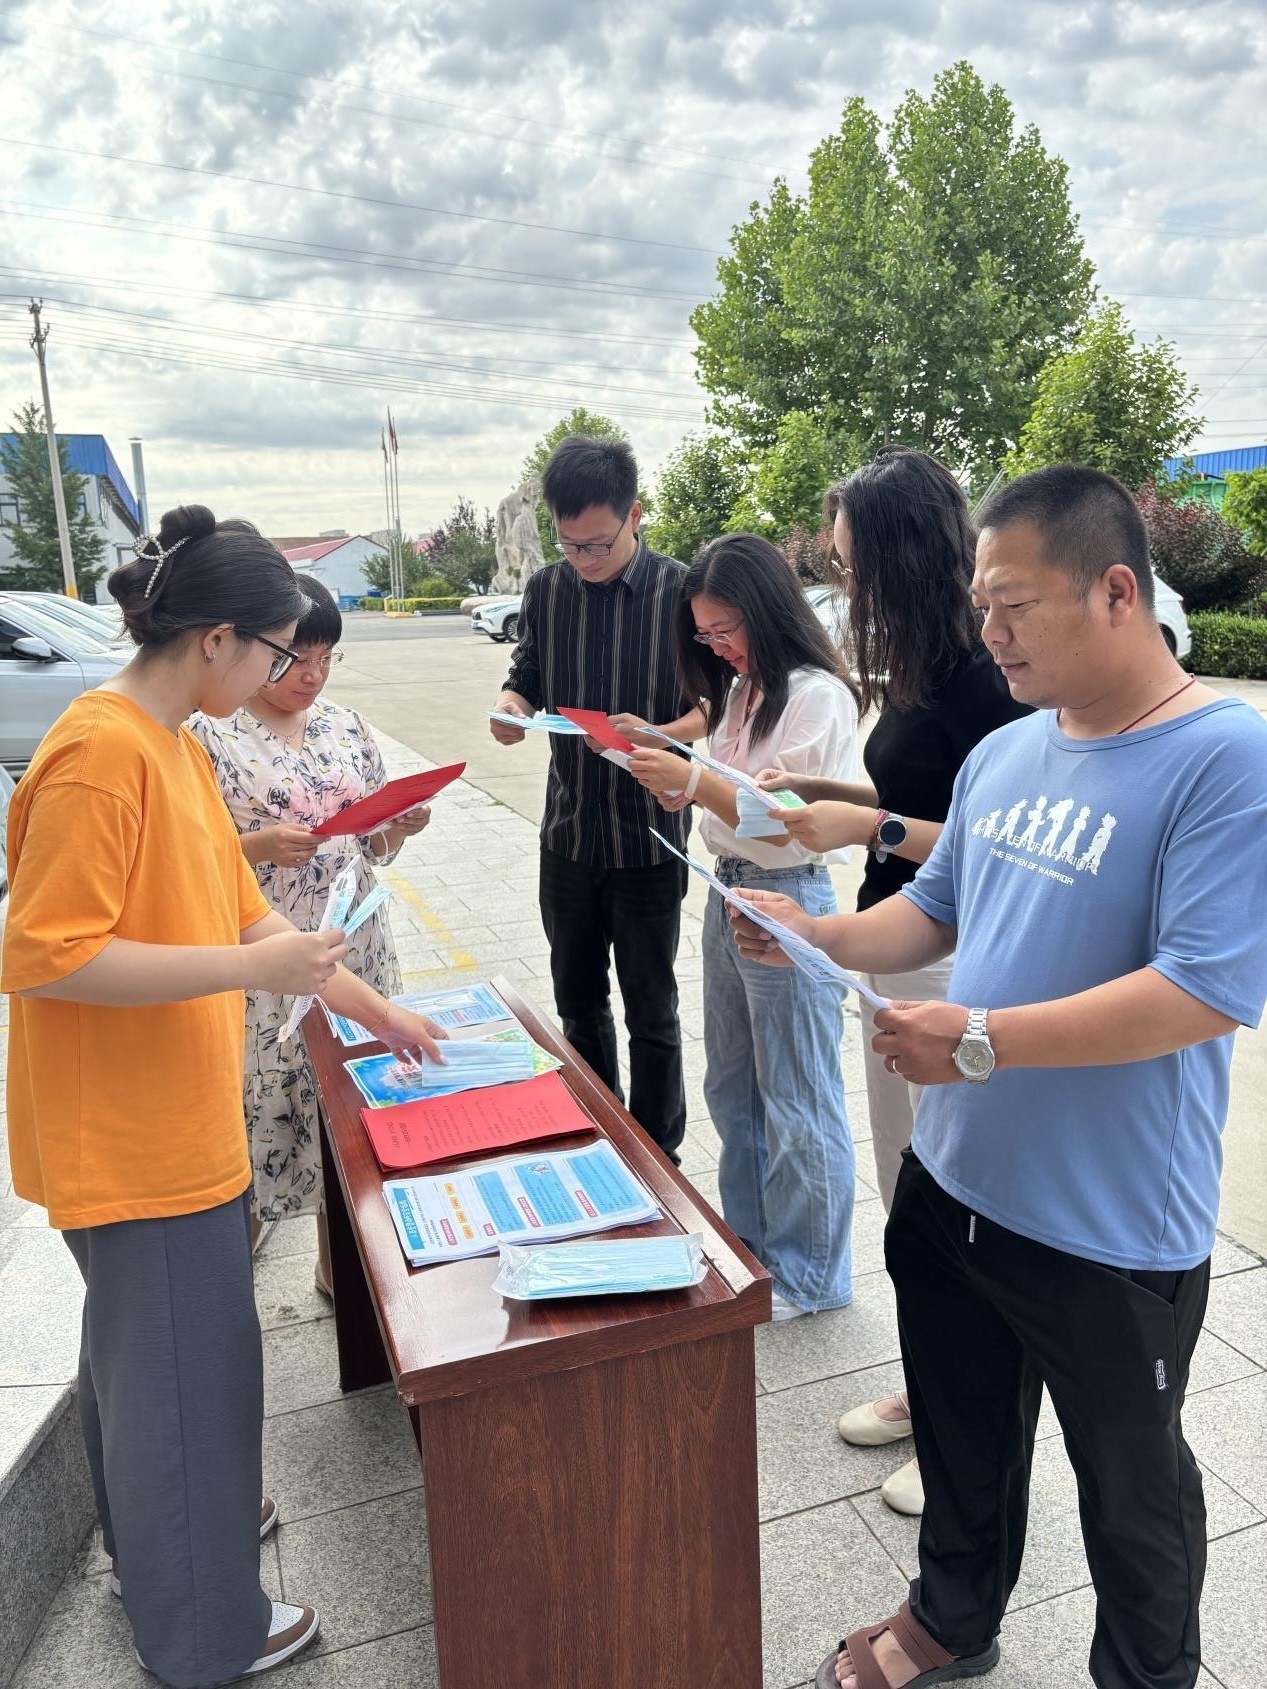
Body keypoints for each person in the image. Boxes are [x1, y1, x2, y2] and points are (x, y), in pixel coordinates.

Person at [729, 466, 1267, 1689]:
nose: (988, 630)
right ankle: (949, 1620)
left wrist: (977, 1040)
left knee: (1134, 1490)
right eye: (981, 603)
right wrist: (812, 935)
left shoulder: (1223, 757)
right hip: (959, 1177)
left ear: (1116, 591)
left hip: (1110, 1222)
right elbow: (930, 911)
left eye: (1015, 603)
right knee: (964, 1436)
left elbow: (1204, 988)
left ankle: (1146, 1671)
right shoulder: (1012, 753)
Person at [1, 507, 446, 1688]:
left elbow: (249, 914)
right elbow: (45, 952)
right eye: (270, 652)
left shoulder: (169, 740)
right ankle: (201, 1633)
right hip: (132, 1135)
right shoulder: (105, 752)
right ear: (214, 640)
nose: (276, 677)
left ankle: (160, 1556)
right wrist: (255, 970)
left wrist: (383, 1013)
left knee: (149, 1371)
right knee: (190, 1381)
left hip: (168, 1116)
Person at [756, 448, 1029, 1513]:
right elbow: (898, 788)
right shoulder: (920, 669)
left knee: (957, 1196)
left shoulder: (988, 678)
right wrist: (819, 790)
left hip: (960, 951)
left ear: (906, 560)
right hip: (893, 942)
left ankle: (974, 1423)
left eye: (853, 567)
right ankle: (932, 1387)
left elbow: (998, 844)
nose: (845, 590)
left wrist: (863, 824)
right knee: (907, 1183)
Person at [626, 533, 859, 1318]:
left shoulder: (817, 693)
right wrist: (686, 785)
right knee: (732, 1085)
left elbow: (795, 824)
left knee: (796, 1094)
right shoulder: (739, 690)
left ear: (767, 607)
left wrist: (694, 783)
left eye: (726, 627)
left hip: (785, 892)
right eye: (704, 634)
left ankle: (810, 1276)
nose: (717, 646)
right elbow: (731, 795)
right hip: (727, 888)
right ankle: (750, 1245)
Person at [191, 574, 431, 1290]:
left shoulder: (346, 725)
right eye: (298, 657)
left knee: (352, 1110)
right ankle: (238, 1252)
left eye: (328, 657)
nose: (313, 675)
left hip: (355, 944)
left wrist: (395, 825)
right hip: (266, 957)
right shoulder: (209, 733)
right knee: (266, 1108)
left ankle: (342, 1270)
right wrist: (261, 846)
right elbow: (187, 861)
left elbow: (373, 849)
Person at [489, 434, 691, 1160]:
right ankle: (600, 1133)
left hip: (648, 838)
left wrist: (661, 734)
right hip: (568, 835)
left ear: (636, 514)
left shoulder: (682, 593)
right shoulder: (546, 588)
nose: (585, 559)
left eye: (599, 544)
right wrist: (511, 705)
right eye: (570, 545)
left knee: (652, 1010)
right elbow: (527, 671)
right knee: (577, 1001)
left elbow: (717, 708)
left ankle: (659, 1150)